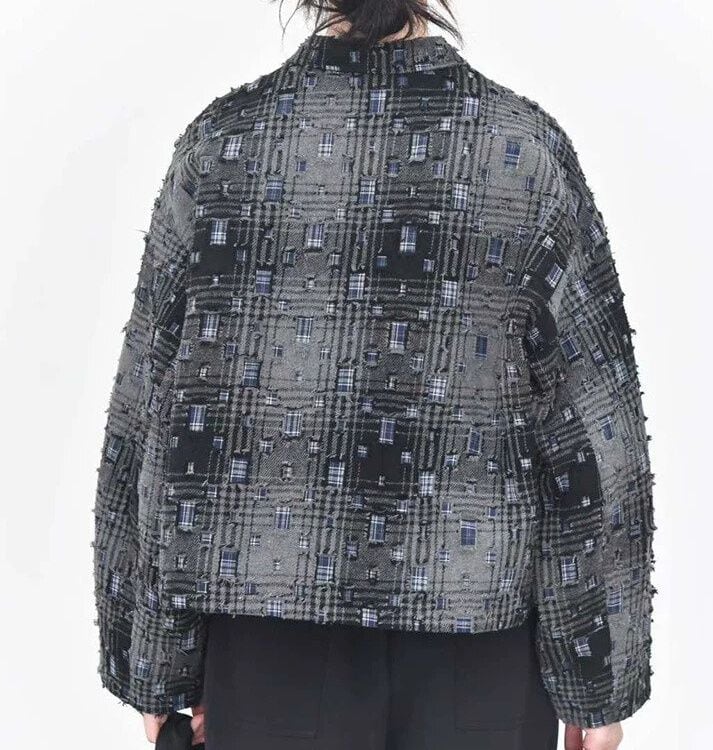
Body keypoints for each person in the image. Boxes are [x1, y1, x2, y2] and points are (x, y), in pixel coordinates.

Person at [91, 2, 656, 749]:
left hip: (268, 643)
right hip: (479, 648)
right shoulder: (522, 150)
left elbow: (154, 417)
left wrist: (158, 666)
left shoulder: (224, 146)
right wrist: (595, 677)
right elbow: (592, 432)